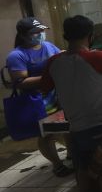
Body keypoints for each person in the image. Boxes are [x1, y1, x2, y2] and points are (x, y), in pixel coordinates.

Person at [41, 15, 102, 192]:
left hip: (76, 127)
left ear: (66, 35)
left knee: (82, 168)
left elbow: (45, 86)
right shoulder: (95, 57)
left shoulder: (54, 62)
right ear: (89, 35)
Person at [5, 17, 73, 177]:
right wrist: (48, 78)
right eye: (35, 32)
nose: (41, 34)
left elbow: (59, 61)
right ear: (23, 35)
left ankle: (72, 155)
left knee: (68, 127)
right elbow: (21, 82)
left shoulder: (49, 46)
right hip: (39, 102)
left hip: (57, 96)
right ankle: (57, 165)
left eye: (42, 30)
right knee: (47, 135)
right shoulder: (17, 56)